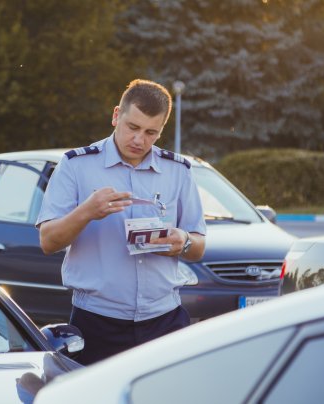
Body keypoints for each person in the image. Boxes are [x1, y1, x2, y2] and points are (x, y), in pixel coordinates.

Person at [36, 79, 206, 365]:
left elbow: (198, 246)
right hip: (98, 322)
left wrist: (183, 241)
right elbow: (47, 242)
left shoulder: (178, 171)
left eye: (152, 132)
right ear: (117, 116)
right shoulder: (76, 166)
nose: (140, 140)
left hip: (164, 319)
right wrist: (87, 211)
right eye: (133, 128)